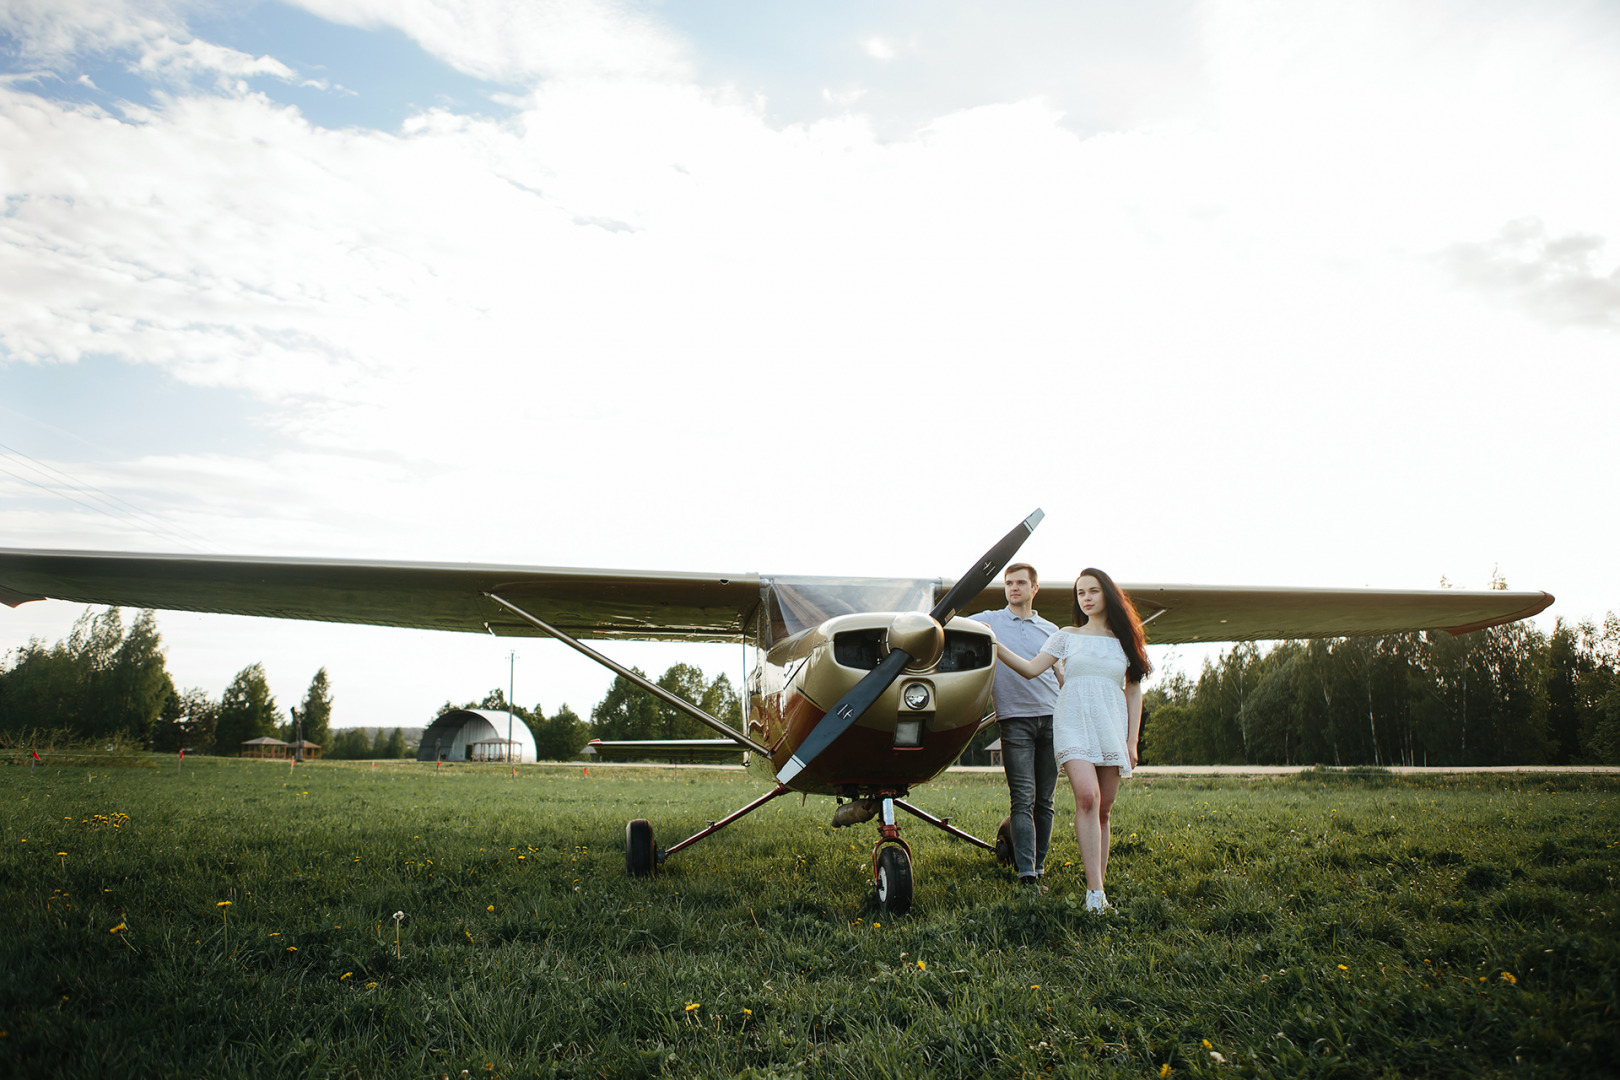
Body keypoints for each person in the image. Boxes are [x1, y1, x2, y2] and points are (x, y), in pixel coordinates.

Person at [994, 568, 1151, 911]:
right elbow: (1032, 668)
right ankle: (1094, 894)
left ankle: (1099, 887)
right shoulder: (1066, 636)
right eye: (1081, 593)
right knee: (1087, 798)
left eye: (1093, 591)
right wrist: (995, 645)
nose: (1087, 598)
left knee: (1104, 810)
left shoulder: (1125, 640)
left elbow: (1134, 690)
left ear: (1107, 594)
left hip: (1111, 726)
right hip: (1073, 724)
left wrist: (1131, 741)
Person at [971, 563, 1061, 889]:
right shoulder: (989, 621)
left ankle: (1038, 866)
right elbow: (944, 623)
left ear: (1034, 588)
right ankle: (1026, 876)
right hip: (1014, 721)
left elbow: (1062, 675)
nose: (1013, 588)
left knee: (1045, 801)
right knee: (1022, 798)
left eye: (1021, 583)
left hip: (1053, 719)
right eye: (1009, 583)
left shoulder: (1051, 630)